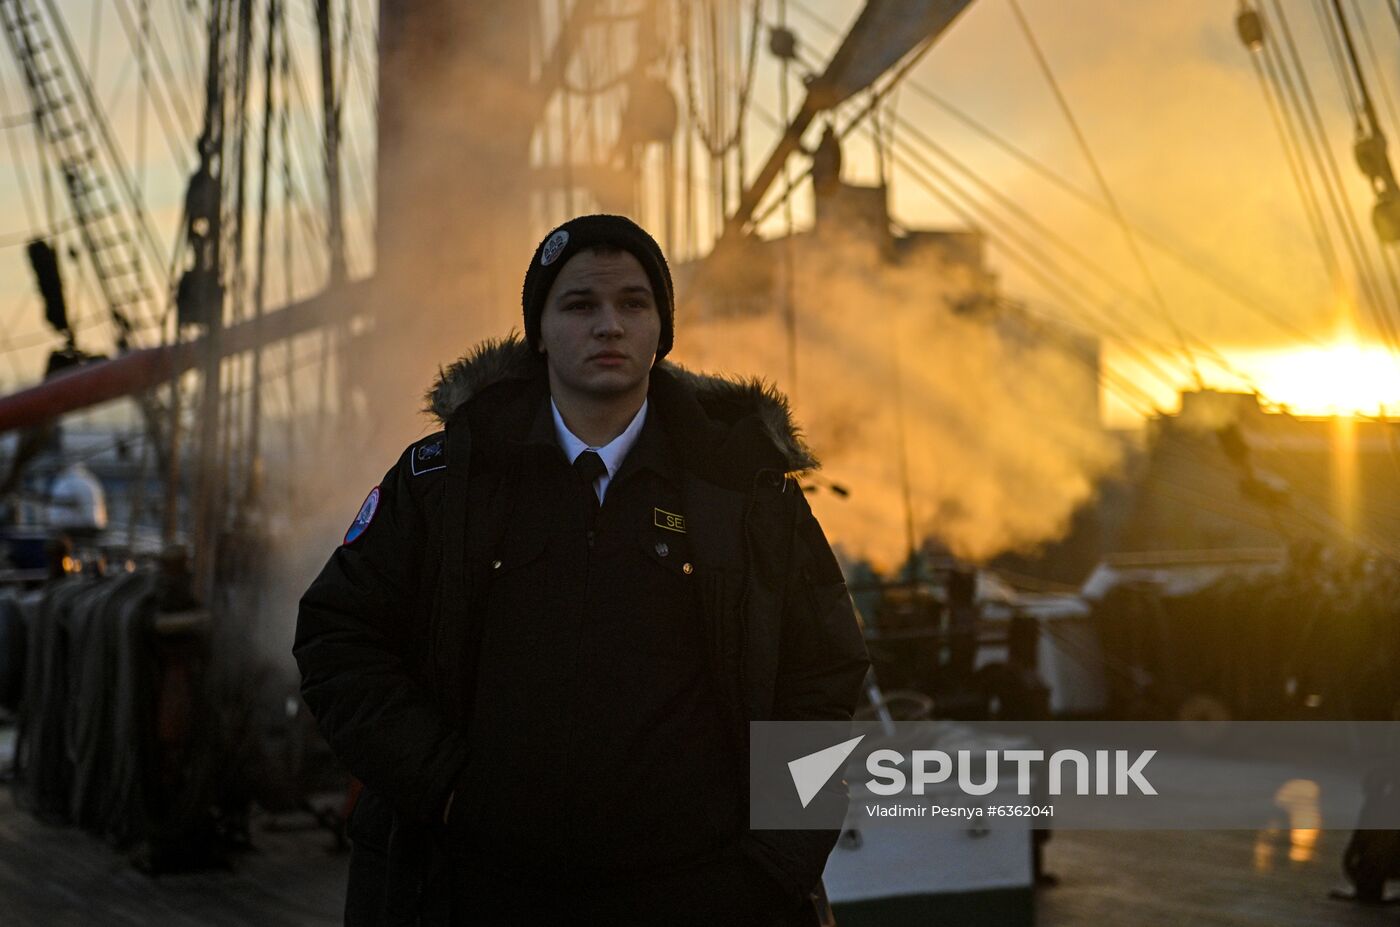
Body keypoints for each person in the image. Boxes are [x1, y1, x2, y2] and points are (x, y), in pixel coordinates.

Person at [294, 214, 869, 925]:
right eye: (579, 305)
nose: (609, 325)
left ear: (662, 330)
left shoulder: (748, 493)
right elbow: (336, 635)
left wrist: (772, 864)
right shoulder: (445, 483)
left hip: (696, 896)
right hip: (478, 890)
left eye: (634, 303)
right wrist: (441, 785)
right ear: (538, 330)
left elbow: (824, 676)